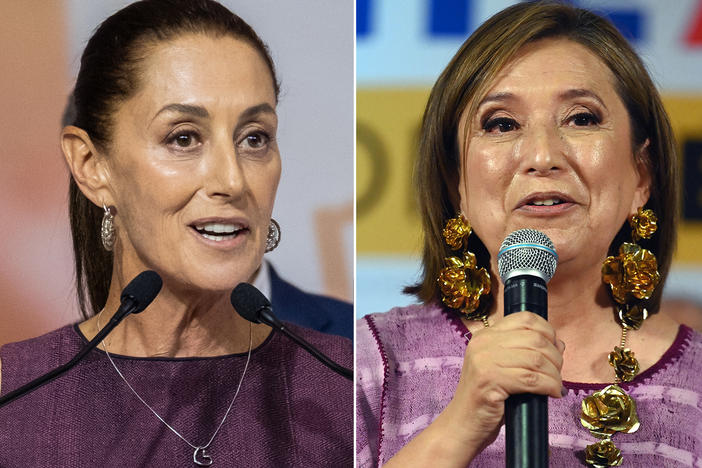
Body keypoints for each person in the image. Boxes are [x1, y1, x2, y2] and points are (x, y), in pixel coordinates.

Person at [0, 1, 351, 466]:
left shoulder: (352, 387)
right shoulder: (17, 396)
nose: (232, 180)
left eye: (254, 138)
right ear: (91, 166)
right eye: (183, 138)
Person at [356, 3, 702, 467]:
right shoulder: (374, 362)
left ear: (642, 175)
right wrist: (460, 425)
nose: (542, 155)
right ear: (456, 184)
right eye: (501, 124)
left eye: (581, 118)